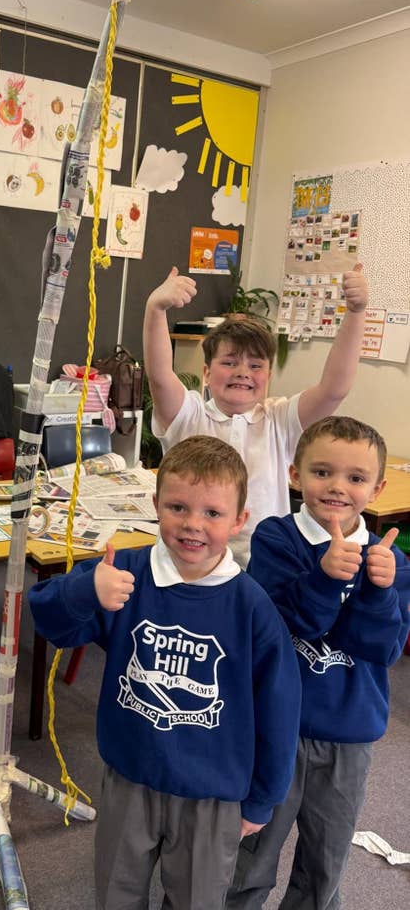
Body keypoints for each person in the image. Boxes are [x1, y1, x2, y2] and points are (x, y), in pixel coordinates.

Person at [28, 435, 301, 910]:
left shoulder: (251, 606)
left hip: (212, 793)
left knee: (197, 899)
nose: (193, 524)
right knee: (116, 892)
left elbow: (279, 709)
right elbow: (51, 623)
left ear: (239, 520)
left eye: (212, 513)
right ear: (155, 505)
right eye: (178, 507)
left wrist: (263, 798)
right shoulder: (125, 573)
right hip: (130, 777)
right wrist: (86, 591)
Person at [226, 416, 410, 910]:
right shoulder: (277, 538)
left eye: (356, 477)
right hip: (274, 728)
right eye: (322, 472)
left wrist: (380, 591)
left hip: (349, 734)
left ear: (377, 489)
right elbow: (285, 623)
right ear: (295, 474)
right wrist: (327, 578)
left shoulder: (391, 561)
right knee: (250, 852)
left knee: (326, 857)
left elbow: (384, 648)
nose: (337, 487)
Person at [142, 263, 368, 564]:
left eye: (255, 365)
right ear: (206, 373)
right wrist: (156, 309)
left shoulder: (279, 419)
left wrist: (355, 313)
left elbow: (333, 389)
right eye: (230, 362)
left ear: (268, 376)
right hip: (188, 560)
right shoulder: (189, 415)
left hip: (265, 567)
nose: (243, 372)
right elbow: (159, 376)